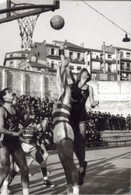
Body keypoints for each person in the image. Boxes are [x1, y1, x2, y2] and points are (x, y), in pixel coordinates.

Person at [52, 41, 79, 195]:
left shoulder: (67, 95)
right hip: (56, 132)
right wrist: (58, 67)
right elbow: (58, 80)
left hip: (64, 129)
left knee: (70, 161)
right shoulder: (59, 97)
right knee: (64, 163)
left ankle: (76, 191)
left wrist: (63, 65)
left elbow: (62, 80)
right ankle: (70, 189)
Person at [0, 88, 29, 195]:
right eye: (9, 92)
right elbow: (1, 128)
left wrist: (29, 118)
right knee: (6, 169)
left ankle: (26, 192)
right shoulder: (1, 110)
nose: (12, 93)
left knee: (25, 168)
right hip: (5, 142)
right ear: (4, 97)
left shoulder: (16, 109)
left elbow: (22, 123)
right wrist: (17, 133)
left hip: (15, 142)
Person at [70, 67, 99, 185]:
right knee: (72, 142)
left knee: (81, 141)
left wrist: (94, 104)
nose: (86, 74)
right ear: (81, 74)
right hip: (71, 113)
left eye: (87, 73)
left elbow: (91, 103)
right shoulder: (73, 85)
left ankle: (82, 165)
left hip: (81, 113)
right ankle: (82, 163)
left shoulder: (90, 88)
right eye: (84, 72)